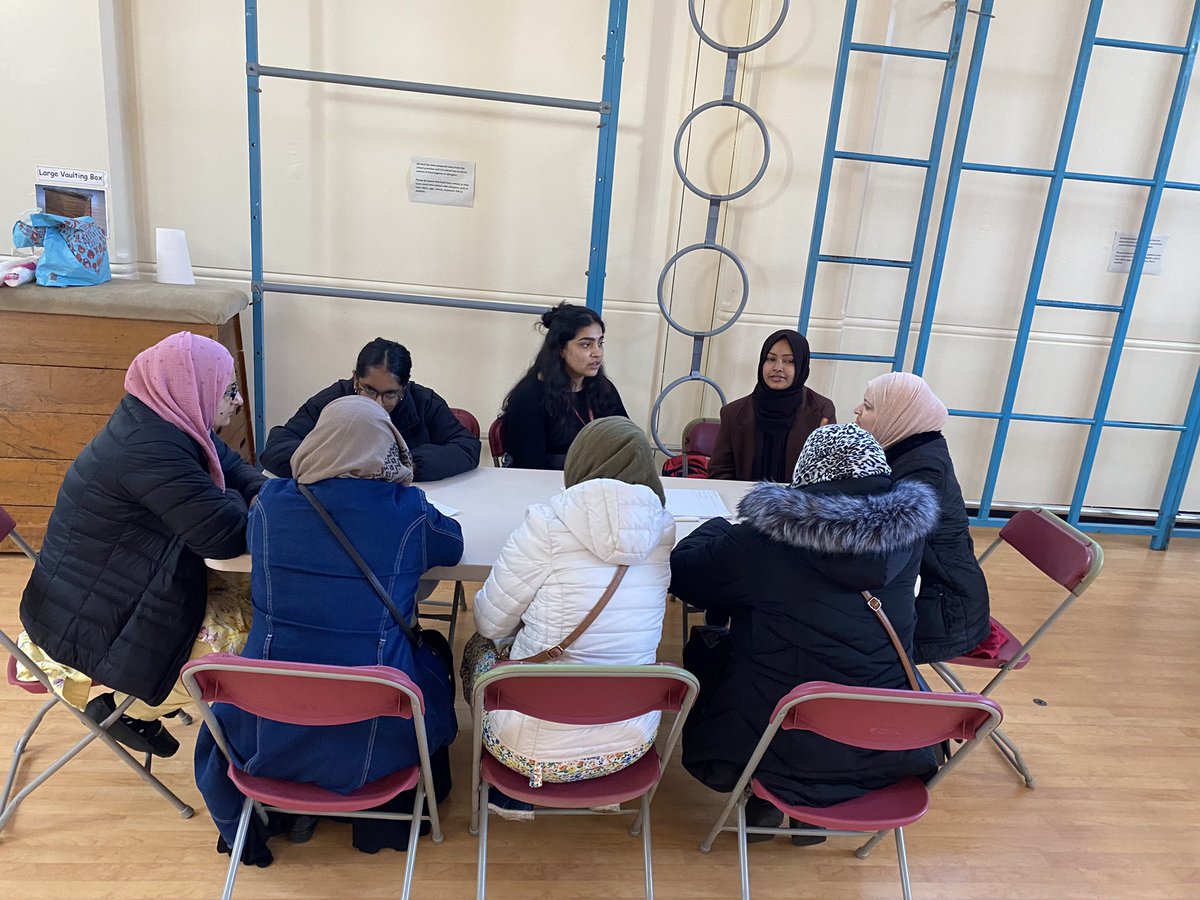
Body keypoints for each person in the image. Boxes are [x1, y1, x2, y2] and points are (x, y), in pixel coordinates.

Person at [194, 396, 464, 865]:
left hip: (267, 729)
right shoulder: (407, 510)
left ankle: (285, 808)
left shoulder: (270, 506)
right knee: (433, 652)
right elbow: (453, 546)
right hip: (379, 737)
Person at [669, 424, 939, 841]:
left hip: (771, 738)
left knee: (721, 648)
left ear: (806, 477)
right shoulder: (907, 535)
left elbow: (686, 575)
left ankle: (765, 798)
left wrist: (720, 528)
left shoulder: (766, 539)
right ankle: (807, 811)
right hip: (883, 743)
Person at [19, 331, 263, 757]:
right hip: (94, 621)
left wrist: (258, 493)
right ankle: (129, 710)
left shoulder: (166, 420)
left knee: (265, 594)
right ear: (192, 388)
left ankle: (148, 705)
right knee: (264, 639)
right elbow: (225, 536)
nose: (238, 401)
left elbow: (236, 470)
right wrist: (249, 500)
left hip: (108, 591)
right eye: (229, 390)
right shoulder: (150, 448)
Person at [463, 417, 673, 813]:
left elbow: (490, 623)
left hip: (530, 749)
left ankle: (509, 795)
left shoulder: (548, 523)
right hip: (628, 745)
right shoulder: (662, 530)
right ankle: (604, 793)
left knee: (479, 647)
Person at [855, 372, 991, 663]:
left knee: (831, 630)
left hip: (946, 613)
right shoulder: (909, 448)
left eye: (868, 406)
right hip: (933, 594)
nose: (857, 410)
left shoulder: (923, 469)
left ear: (896, 415)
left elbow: (882, 542)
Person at [260, 337, 479, 481]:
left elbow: (466, 447)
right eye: (369, 390)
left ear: (405, 387)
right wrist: (342, 465)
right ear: (356, 378)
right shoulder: (334, 399)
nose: (377, 403)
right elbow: (277, 447)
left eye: (390, 394)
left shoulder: (424, 402)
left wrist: (407, 465)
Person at [500, 302, 627, 469]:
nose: (597, 353)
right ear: (561, 349)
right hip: (544, 485)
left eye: (600, 343)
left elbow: (627, 442)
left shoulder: (604, 388)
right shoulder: (530, 396)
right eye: (586, 344)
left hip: (594, 481)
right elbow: (529, 466)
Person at [708, 329, 835, 482]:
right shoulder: (733, 413)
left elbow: (827, 474)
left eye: (789, 361)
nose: (777, 367)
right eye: (770, 359)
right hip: (742, 502)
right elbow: (720, 471)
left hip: (799, 503)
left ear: (802, 365)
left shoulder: (821, 410)